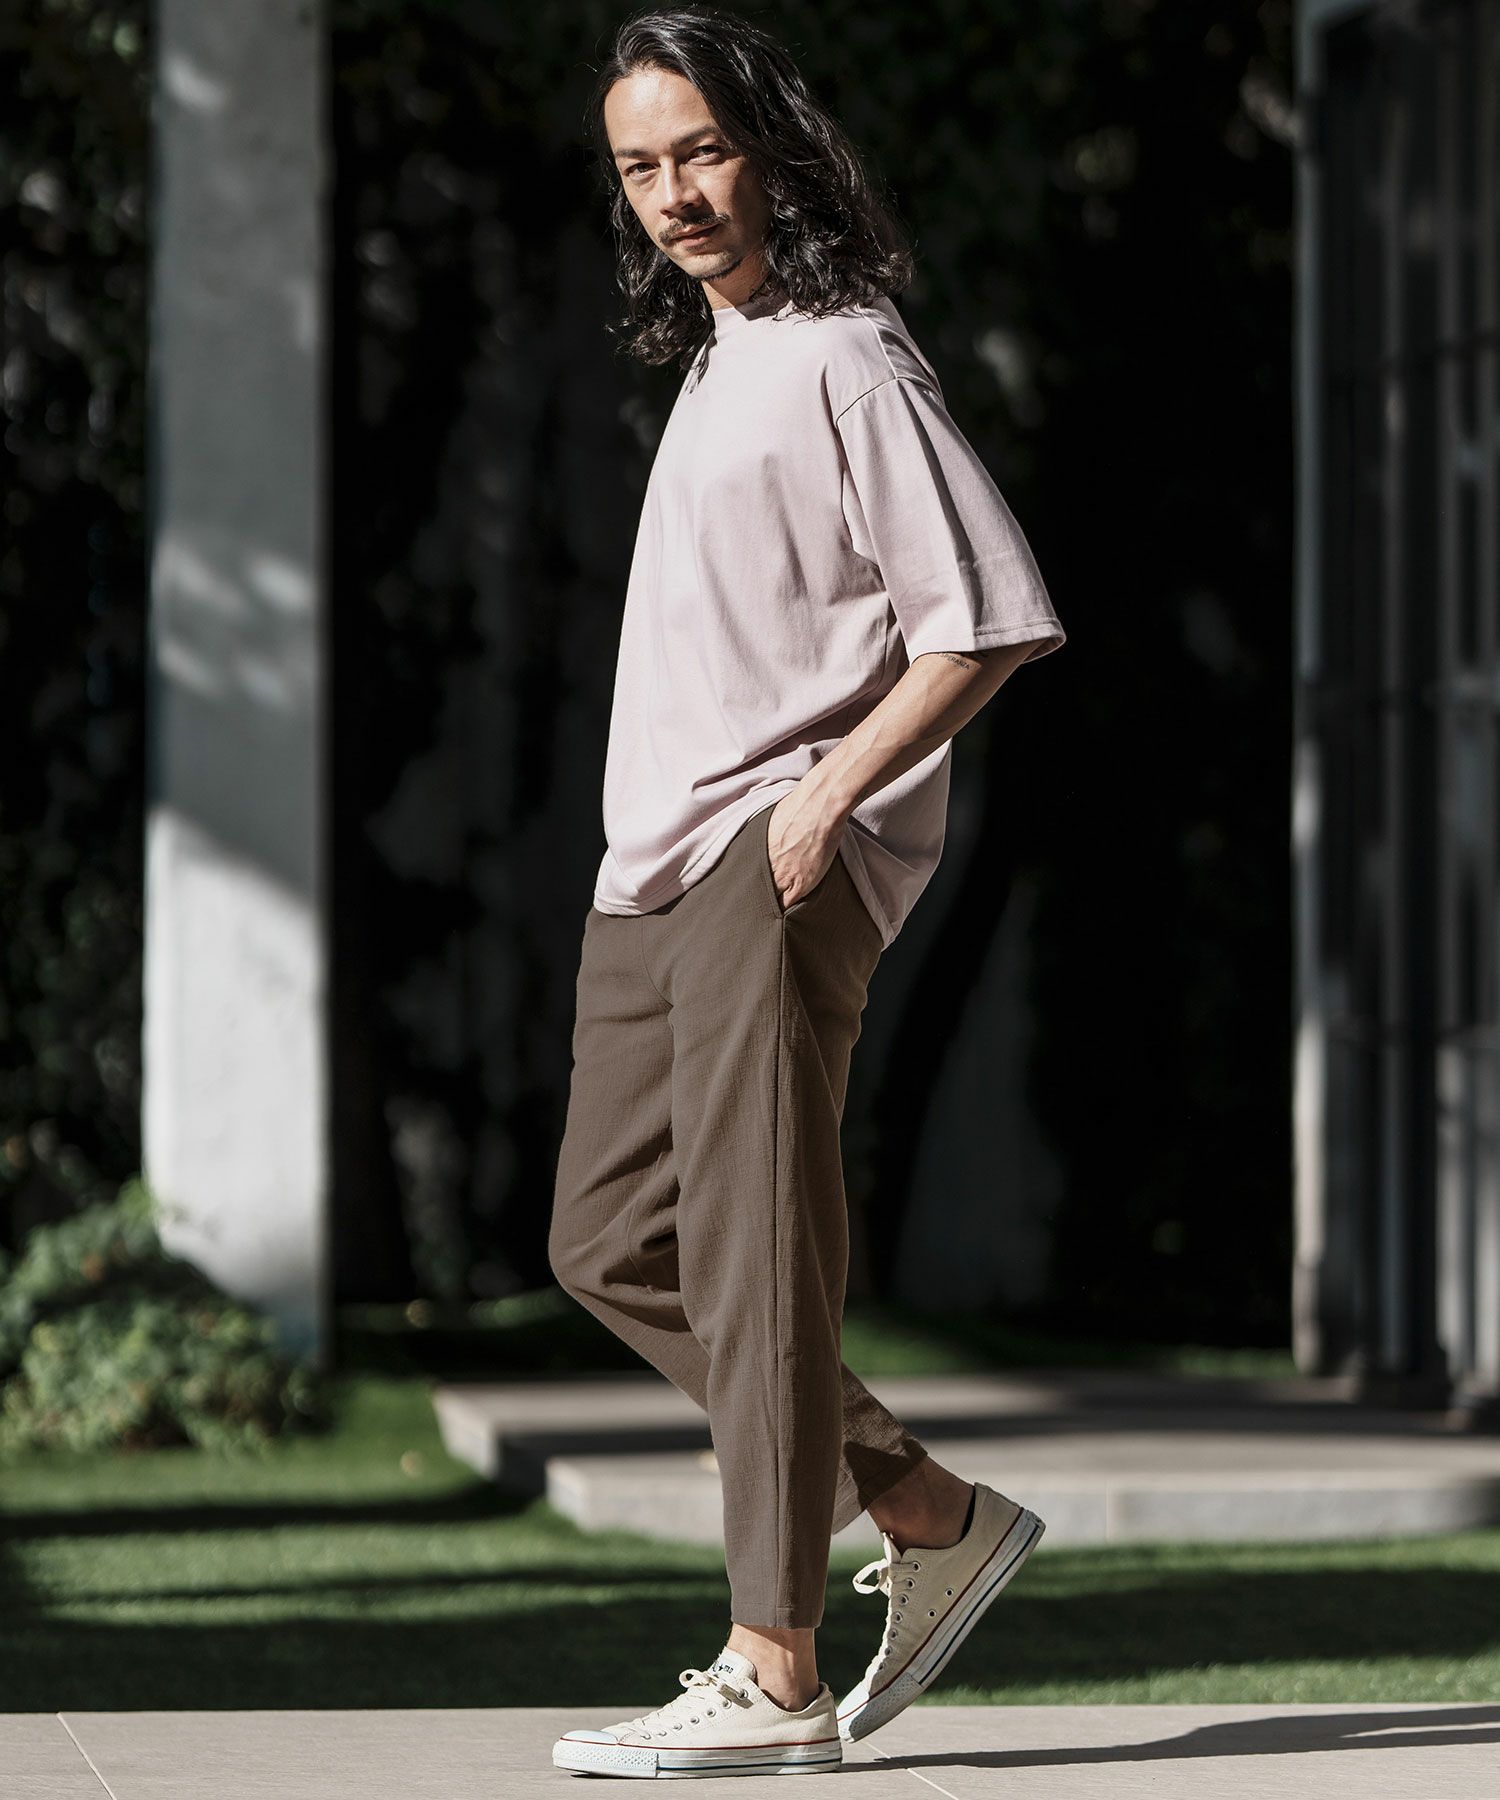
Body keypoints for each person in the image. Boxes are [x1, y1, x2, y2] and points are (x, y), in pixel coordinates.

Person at [549, 7, 1063, 1779]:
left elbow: (985, 617)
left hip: (771, 860)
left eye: (701, 150)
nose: (675, 194)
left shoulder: (845, 354)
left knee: (758, 1256)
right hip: (654, 870)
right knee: (607, 1242)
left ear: (770, 147)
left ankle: (774, 1671)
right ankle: (924, 1511)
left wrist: (828, 796)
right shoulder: (725, 359)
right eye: (640, 167)